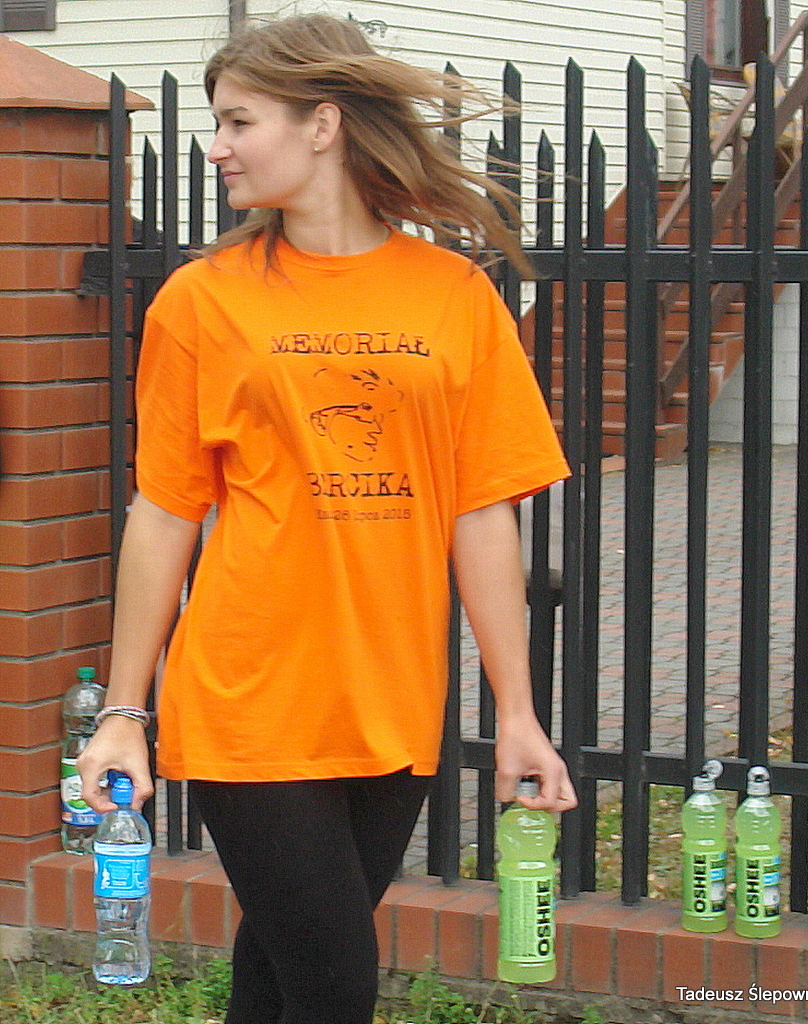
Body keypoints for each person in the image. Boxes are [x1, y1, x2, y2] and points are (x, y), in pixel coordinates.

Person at [78, 13, 577, 1024]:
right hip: (249, 696)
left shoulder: (453, 297)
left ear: (322, 124)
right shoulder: (201, 302)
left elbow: (481, 513)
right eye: (216, 123)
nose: (215, 146)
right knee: (336, 984)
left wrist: (517, 713)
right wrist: (125, 713)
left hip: (393, 700)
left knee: (282, 970)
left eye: (238, 121)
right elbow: (163, 514)